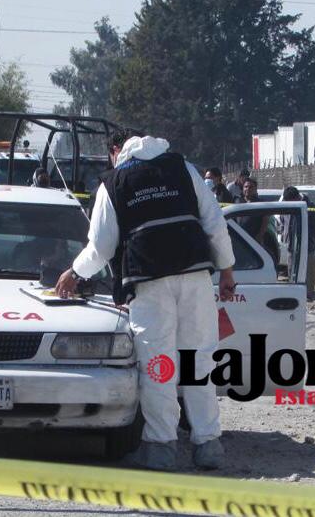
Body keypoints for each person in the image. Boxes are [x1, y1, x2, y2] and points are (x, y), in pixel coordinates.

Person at [54, 132, 236, 472]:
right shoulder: (181, 167)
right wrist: (226, 270)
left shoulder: (114, 182)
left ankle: (162, 448)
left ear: (116, 151)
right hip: (195, 275)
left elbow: (101, 247)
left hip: (150, 283)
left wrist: (74, 273)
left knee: (159, 367)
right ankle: (208, 445)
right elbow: (214, 221)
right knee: (198, 363)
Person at [281, 186, 315, 299]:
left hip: (307, 247)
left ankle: (308, 295)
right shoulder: (286, 206)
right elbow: (282, 222)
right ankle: (293, 295)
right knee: (292, 270)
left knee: (308, 272)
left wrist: (309, 240)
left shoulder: (311, 207)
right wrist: (285, 236)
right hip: (291, 246)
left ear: (296, 198)